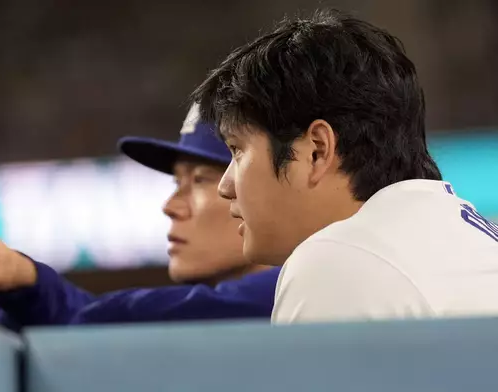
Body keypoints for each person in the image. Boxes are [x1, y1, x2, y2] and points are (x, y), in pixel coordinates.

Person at [191, 9, 498, 324]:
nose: (225, 186)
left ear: (316, 150)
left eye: (237, 150)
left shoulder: (338, 259)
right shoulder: (468, 238)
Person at [0, 104, 277, 330]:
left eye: (199, 179)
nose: (171, 205)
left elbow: (97, 322)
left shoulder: (294, 289)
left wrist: (24, 279)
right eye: (176, 182)